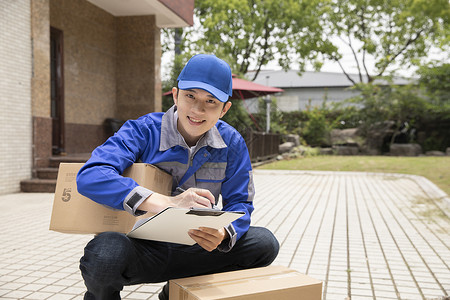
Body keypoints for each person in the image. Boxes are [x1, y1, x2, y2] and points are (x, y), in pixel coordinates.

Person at [76, 54, 279, 300]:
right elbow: (91, 174)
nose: (197, 109)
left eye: (211, 101)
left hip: (198, 246)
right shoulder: (142, 130)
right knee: (103, 254)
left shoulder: (232, 143)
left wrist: (223, 233)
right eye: (190, 96)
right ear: (175, 95)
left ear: (224, 109)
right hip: (143, 248)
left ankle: (174, 295)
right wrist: (165, 202)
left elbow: (241, 204)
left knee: (264, 243)